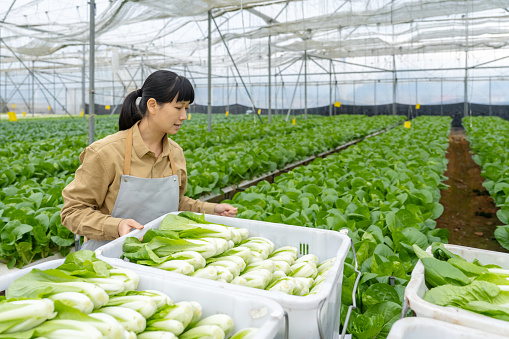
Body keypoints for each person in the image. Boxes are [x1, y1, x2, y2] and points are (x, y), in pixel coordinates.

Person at [61, 70, 238, 250]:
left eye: (186, 108)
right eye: (178, 107)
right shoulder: (105, 153)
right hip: (107, 259)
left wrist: (211, 210)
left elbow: (173, 204)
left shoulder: (175, 153)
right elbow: (72, 212)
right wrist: (116, 226)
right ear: (152, 105)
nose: (184, 116)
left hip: (158, 256)